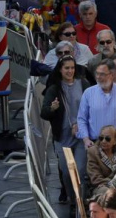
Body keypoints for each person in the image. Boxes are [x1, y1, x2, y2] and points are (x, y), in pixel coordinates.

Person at [41, 55, 91, 211]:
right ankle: (72, 198)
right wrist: (53, 109)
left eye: (72, 68)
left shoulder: (83, 84)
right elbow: (44, 113)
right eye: (66, 68)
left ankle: (80, 203)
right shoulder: (54, 89)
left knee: (80, 170)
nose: (70, 71)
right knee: (66, 172)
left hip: (81, 136)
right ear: (60, 70)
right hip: (62, 137)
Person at [79, 59, 116, 151]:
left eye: (102, 74)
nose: (98, 77)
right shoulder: (88, 93)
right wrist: (86, 139)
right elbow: (81, 119)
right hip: (95, 143)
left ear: (112, 75)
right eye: (97, 73)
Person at [86, 125, 116, 197]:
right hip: (100, 187)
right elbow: (96, 178)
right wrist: (113, 184)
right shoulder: (93, 152)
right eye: (101, 138)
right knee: (109, 193)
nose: (103, 141)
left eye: (108, 139)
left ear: (115, 141)